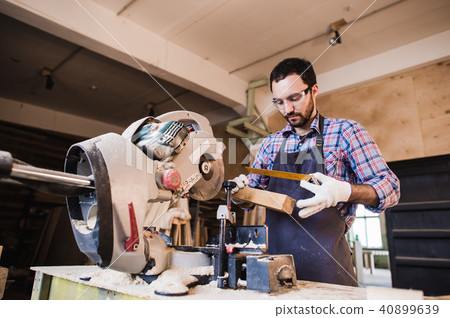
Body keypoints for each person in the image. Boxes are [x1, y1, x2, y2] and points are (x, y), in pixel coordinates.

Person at [231, 57, 400, 287]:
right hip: (276, 270)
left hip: (328, 269)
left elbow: (390, 187)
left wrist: (345, 191)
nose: (287, 109)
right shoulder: (270, 144)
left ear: (314, 90)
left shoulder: (345, 133)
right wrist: (240, 192)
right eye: (278, 102)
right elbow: (251, 199)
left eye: (294, 98)